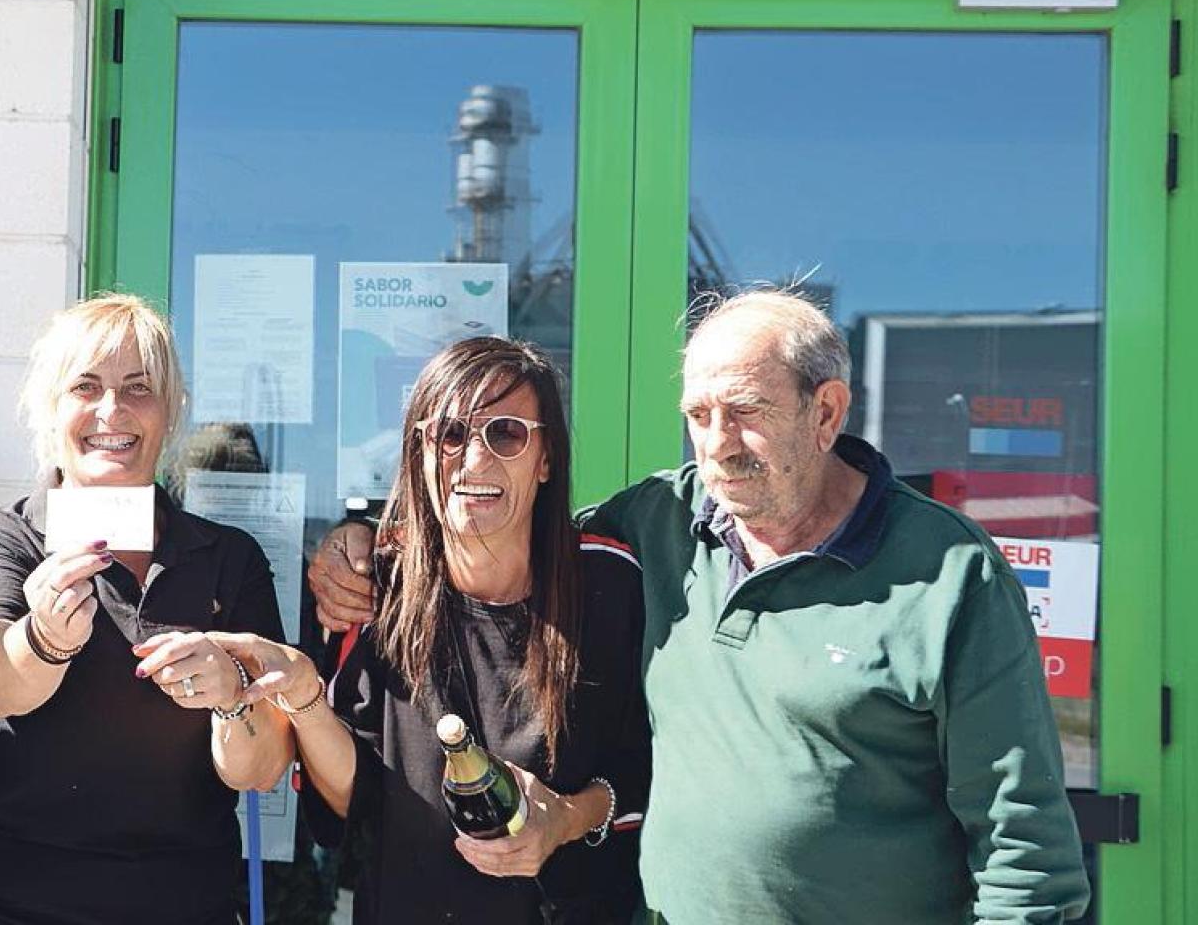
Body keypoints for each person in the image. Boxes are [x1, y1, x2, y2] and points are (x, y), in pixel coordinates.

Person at [310, 291, 1091, 923]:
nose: (717, 443)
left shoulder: (949, 575)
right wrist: (365, 542)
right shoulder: (657, 524)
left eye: (745, 410)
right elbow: (493, 517)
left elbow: (1024, 849)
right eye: (698, 415)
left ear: (826, 413)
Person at [215, 337, 647, 924]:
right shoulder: (374, 587)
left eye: (508, 433)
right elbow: (353, 802)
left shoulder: (609, 584)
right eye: (450, 434)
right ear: (419, 451)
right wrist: (304, 697)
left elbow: (645, 770)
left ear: (546, 458)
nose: (475, 460)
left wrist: (565, 819)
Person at [0, 293, 294, 925]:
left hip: (173, 900)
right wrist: (44, 638)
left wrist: (232, 694)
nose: (113, 410)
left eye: (139, 388)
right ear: (50, 410)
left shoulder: (228, 559)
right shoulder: (1, 537)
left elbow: (261, 767)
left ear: (170, 413)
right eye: (86, 386)